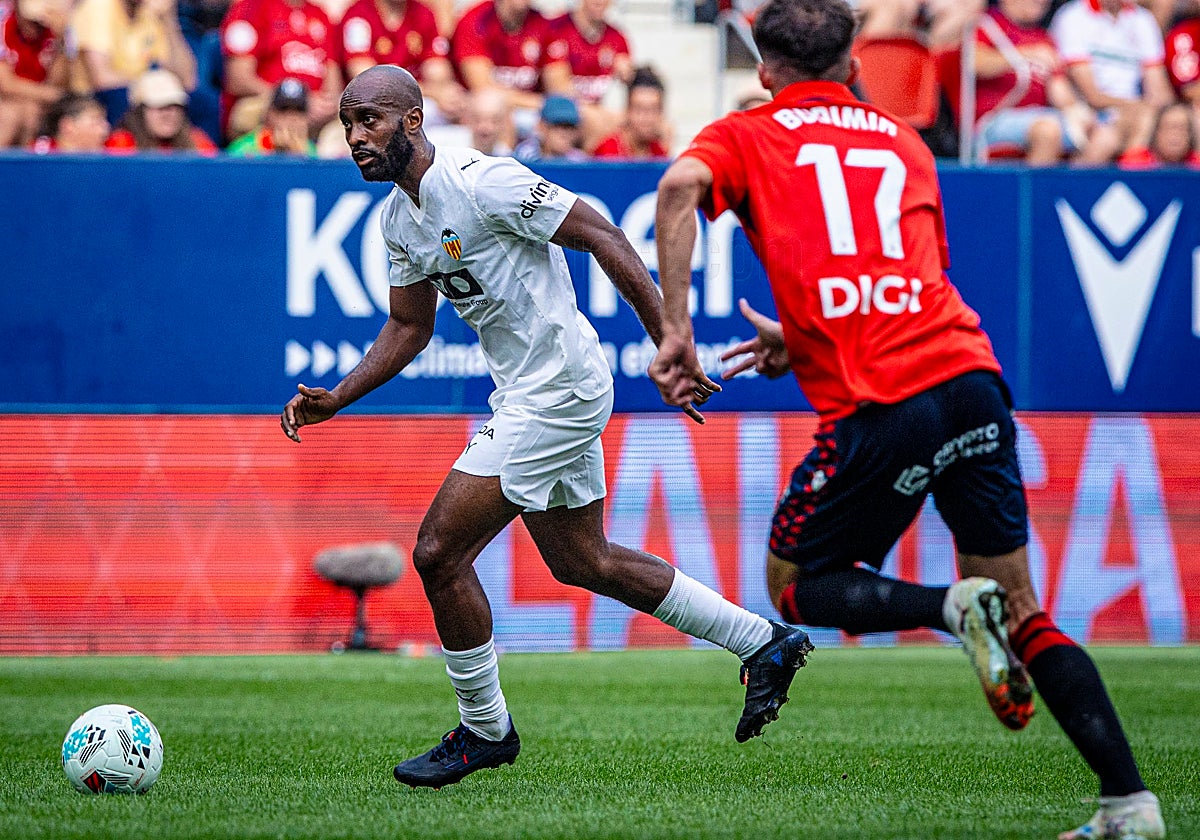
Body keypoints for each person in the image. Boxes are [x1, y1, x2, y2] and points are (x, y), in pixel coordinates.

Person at [648, 1, 1165, 838]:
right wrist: (802, 337)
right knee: (1025, 606)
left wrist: (675, 330)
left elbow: (677, 188)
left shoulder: (749, 131)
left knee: (794, 584)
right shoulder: (907, 142)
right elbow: (900, 280)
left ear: (765, 73)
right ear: (855, 67)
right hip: (969, 374)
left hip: (885, 400)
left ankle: (951, 608)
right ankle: (1129, 805)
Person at [280, 64, 814, 790]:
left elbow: (605, 237)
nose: (353, 137)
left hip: (557, 390)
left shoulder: (484, 182)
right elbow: (409, 327)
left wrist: (670, 339)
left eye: (368, 120)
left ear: (412, 121)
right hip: (530, 393)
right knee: (582, 560)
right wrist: (339, 396)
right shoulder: (398, 220)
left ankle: (484, 730)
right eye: (346, 124)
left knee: (439, 552)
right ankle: (763, 641)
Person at [973, 0, 1101, 165]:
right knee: (1048, 130)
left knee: (1102, 133)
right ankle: (1035, 191)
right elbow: (975, 63)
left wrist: (1079, 112)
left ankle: (1069, 189)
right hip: (992, 120)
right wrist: (1024, 55)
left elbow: (1059, 91)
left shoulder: (1044, 39)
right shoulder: (985, 24)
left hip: (1039, 116)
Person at [1049, 0, 1177, 162]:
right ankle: (1080, 183)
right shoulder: (1073, 17)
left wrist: (1172, 114)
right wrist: (1140, 108)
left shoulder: (1143, 19)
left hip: (1134, 108)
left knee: (1176, 124)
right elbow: (1093, 96)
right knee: (1109, 138)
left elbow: (1158, 89)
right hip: (1086, 109)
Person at [220, 0, 339, 141]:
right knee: (272, 115)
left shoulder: (320, 14)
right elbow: (238, 80)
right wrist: (298, 102)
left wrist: (327, 105)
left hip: (315, 111)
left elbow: (332, 82)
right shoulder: (248, 9)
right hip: (267, 103)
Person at [70, 0, 199, 126]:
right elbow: (102, 79)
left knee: (201, 102)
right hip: (93, 96)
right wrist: (148, 85)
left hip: (140, 91)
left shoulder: (149, 12)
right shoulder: (98, 6)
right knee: (128, 99)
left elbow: (187, 80)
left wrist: (169, 20)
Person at [542, 0, 632, 148]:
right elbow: (558, 88)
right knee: (594, 121)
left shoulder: (617, 38)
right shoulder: (556, 29)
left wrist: (626, 74)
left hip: (597, 112)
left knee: (651, 127)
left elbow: (631, 82)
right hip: (558, 110)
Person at [0, 0, 68, 148]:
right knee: (9, 115)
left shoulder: (54, 33)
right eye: (31, 21)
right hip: (7, 101)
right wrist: (51, 94)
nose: (36, 26)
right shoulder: (3, 25)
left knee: (32, 112)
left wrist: (61, 42)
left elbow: (56, 82)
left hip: (36, 104)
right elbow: (6, 85)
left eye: (39, 21)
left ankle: (29, 168)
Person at [105, 68, 218, 153]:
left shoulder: (197, 142)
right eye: (160, 107)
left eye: (176, 106)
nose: (169, 114)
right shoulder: (122, 144)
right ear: (139, 112)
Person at [591, 66, 670, 159]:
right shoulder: (609, 151)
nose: (646, 118)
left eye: (653, 109)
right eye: (639, 109)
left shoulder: (658, 152)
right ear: (627, 110)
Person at [226, 77, 316, 155]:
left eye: (299, 110)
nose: (291, 117)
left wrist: (299, 157)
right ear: (269, 114)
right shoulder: (245, 148)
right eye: (283, 110)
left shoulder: (311, 151)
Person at [1118, 100, 1200, 165]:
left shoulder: (1196, 166)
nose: (1175, 134)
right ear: (1157, 133)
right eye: (1169, 127)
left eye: (1181, 128)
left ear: (1190, 135)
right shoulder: (1134, 162)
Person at [513, 93, 586, 160]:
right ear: (542, 126)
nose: (565, 134)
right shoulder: (525, 154)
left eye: (571, 127)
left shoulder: (578, 160)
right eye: (558, 126)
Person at [30, 92, 112, 152]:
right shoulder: (41, 153)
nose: (106, 127)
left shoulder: (115, 150)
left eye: (104, 120)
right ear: (68, 126)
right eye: (96, 121)